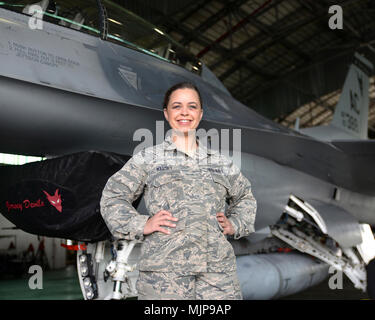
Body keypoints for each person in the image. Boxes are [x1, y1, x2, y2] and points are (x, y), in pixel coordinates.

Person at [100, 82, 257, 300]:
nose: (184, 112)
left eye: (192, 106)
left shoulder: (221, 164)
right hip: (164, 277)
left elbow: (245, 197)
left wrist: (236, 224)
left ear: (200, 114)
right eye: (177, 106)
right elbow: (113, 197)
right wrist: (142, 224)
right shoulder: (148, 159)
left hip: (217, 276)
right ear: (166, 113)